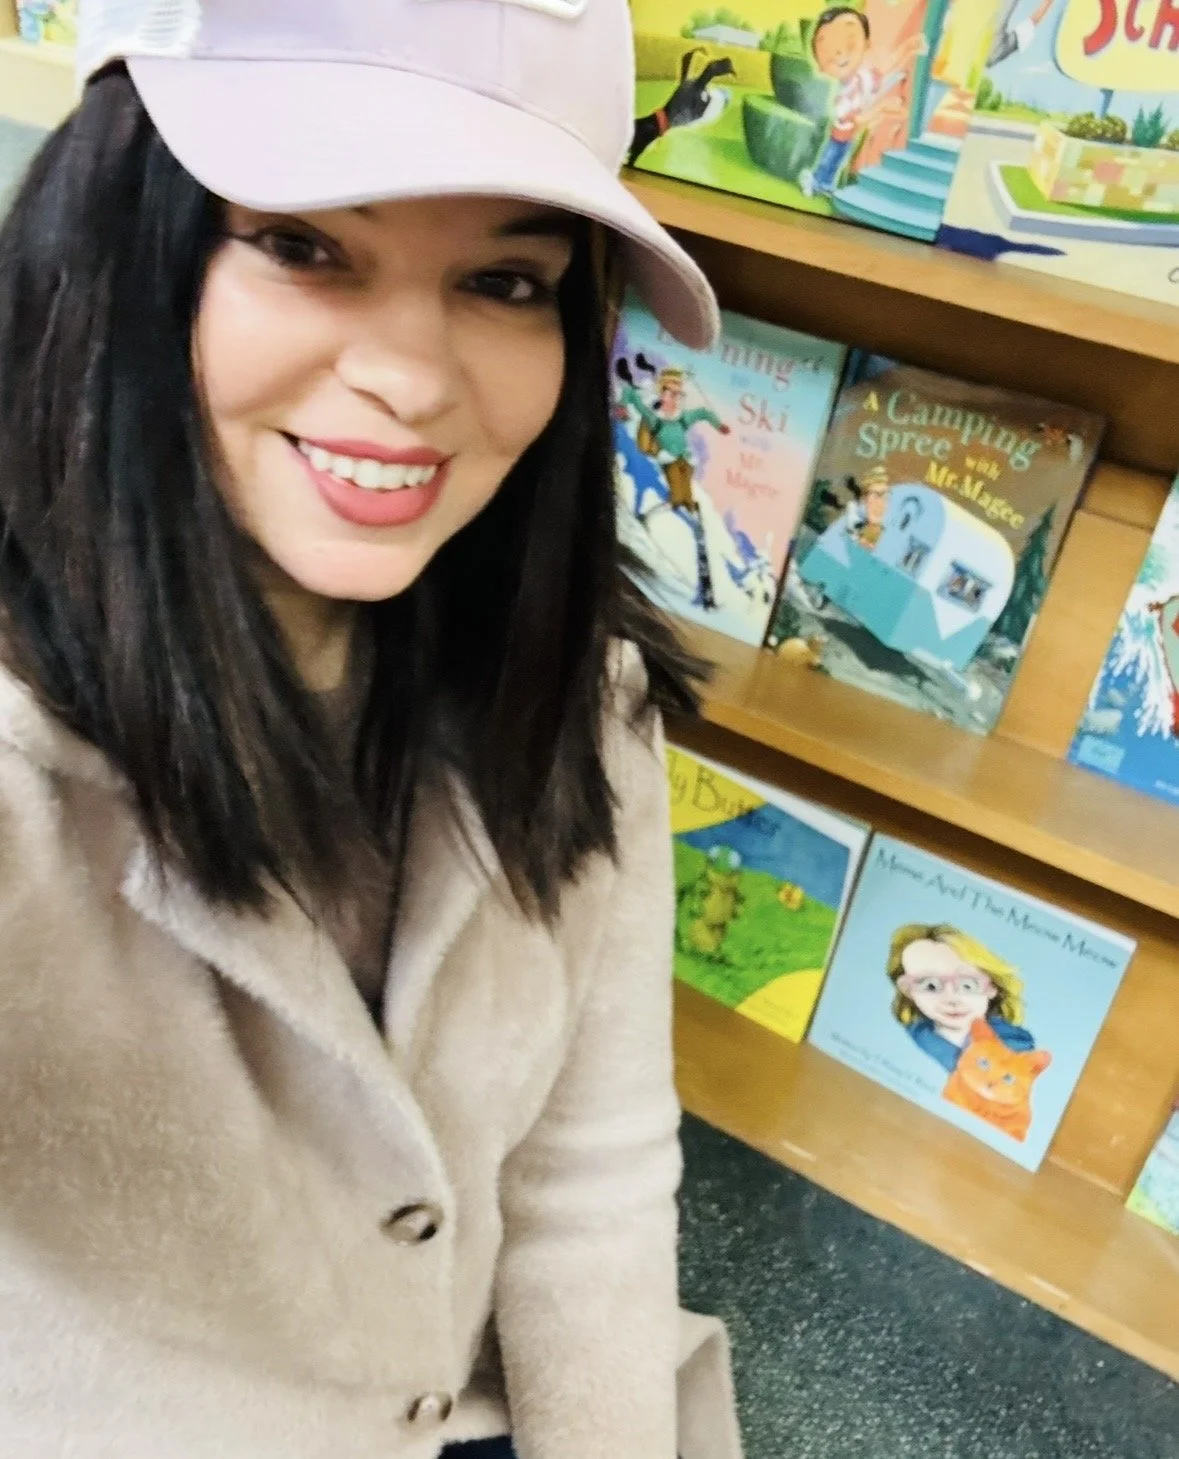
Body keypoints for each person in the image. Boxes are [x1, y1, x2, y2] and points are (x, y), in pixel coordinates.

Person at [0, 2, 744, 1457]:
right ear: (120, 235)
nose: (412, 376)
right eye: (301, 246)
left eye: (505, 278)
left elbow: (584, 1186)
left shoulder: (577, 702)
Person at [800, 6, 927, 201]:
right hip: (841, 133)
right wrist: (882, 109)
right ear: (821, 66)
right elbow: (856, 119)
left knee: (836, 159)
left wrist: (908, 48)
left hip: (848, 134)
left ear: (866, 45)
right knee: (831, 159)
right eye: (830, 54)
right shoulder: (847, 92)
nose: (841, 54)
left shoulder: (864, 76)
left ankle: (824, 183)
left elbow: (886, 70)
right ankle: (815, 180)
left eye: (850, 42)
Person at [887, 924, 1036, 1074]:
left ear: (992, 987)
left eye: (967, 985)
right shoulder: (908, 1039)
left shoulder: (1018, 1051)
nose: (951, 999)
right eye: (930, 985)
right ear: (907, 990)